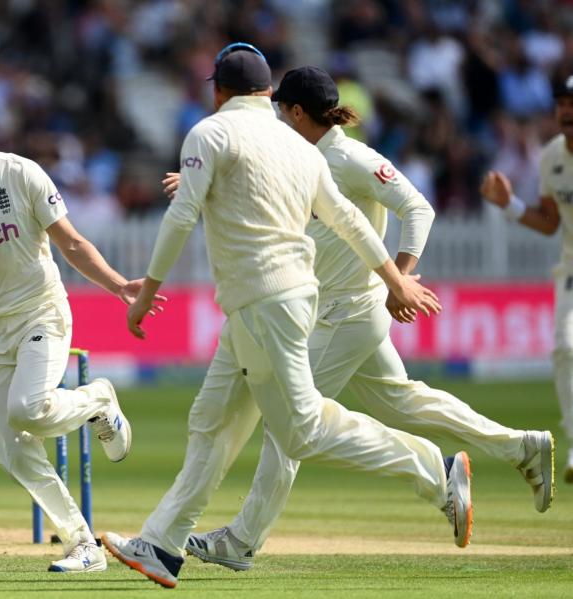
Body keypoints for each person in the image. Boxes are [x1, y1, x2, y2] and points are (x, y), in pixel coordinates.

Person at [101, 44, 472, 589]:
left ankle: (436, 473)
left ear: (218, 90)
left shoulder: (210, 132)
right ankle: (161, 545)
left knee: (301, 431)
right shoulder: (296, 145)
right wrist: (394, 279)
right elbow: (346, 218)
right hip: (278, 300)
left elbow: (182, 215)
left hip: (265, 301)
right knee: (211, 422)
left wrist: (145, 291)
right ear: (269, 94)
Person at [164, 66, 553, 572]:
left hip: (347, 313)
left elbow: (419, 208)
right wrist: (203, 184)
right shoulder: (300, 156)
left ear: (298, 112)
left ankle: (242, 540)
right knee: (405, 401)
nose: (277, 117)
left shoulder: (348, 157)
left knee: (288, 428)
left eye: (282, 110)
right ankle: (521, 446)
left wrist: (403, 279)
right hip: (341, 311)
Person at [0, 86, 159, 573]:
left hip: (41, 311)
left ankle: (100, 399)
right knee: (14, 453)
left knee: (29, 409)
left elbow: (72, 243)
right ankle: (83, 544)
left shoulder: (21, 173)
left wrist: (120, 286)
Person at [481, 72, 573, 485]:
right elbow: (551, 222)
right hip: (571, 270)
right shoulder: (552, 156)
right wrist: (511, 204)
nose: (567, 111)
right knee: (565, 348)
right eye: (562, 104)